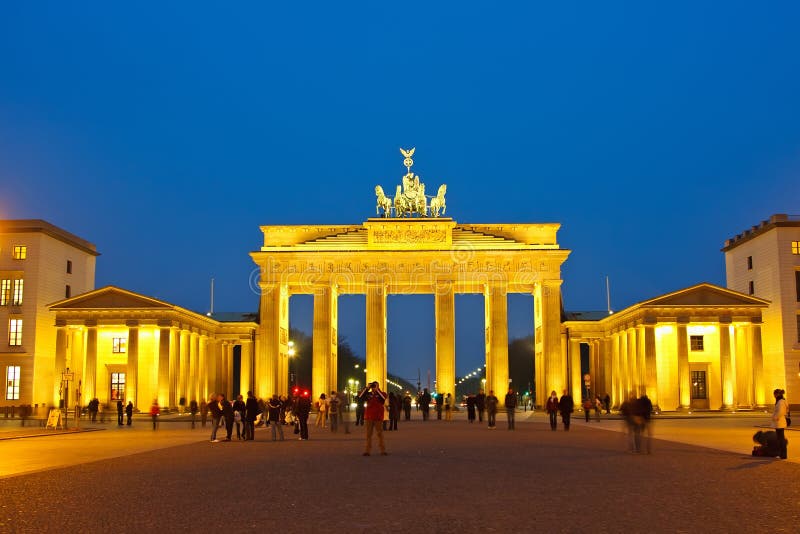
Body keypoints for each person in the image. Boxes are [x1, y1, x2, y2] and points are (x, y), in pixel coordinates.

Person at [358, 381, 388, 456]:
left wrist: (377, 390)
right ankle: (367, 451)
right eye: (373, 386)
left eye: (375, 385)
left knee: (380, 434)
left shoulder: (382, 393)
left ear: (378, 386)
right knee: (368, 434)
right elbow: (360, 397)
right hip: (369, 416)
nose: (374, 387)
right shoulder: (368, 394)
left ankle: (383, 450)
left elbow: (383, 398)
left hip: (378, 417)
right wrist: (367, 388)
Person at [772, 388, 789, 459]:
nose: (774, 396)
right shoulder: (781, 401)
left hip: (779, 422)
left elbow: (781, 412)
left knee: (781, 439)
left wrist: (775, 417)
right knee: (780, 438)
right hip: (780, 422)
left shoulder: (781, 402)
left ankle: (783, 454)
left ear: (777, 394)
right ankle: (782, 454)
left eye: (774, 394)